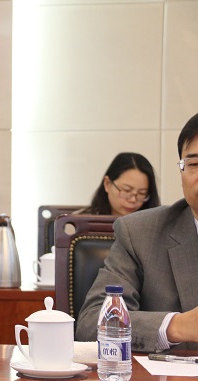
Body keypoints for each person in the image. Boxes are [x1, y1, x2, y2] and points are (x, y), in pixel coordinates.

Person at [76, 113, 198, 352]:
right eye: (194, 164)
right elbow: (92, 323)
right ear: (182, 171)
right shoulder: (140, 234)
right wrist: (177, 326)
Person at [79, 152, 160, 216]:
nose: (133, 200)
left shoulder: (156, 224)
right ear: (107, 184)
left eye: (142, 193)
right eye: (127, 190)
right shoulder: (80, 223)